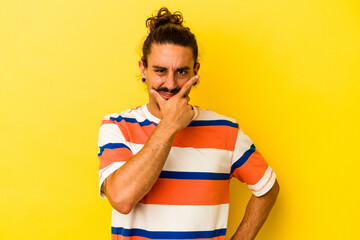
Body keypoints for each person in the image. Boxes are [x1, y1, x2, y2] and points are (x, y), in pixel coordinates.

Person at [97, 7, 279, 240]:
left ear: (196, 71)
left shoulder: (226, 131)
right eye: (160, 71)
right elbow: (121, 199)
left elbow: (268, 189)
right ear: (143, 70)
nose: (171, 84)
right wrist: (170, 125)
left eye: (181, 71)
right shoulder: (117, 126)